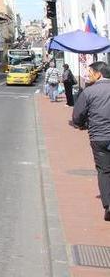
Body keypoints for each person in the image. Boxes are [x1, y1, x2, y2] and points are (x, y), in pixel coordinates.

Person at [72, 62, 110, 222]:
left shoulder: (89, 91)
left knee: (104, 170)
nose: (88, 75)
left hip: (99, 137)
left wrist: (81, 125)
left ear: (99, 74)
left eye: (90, 72)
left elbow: (77, 115)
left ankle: (108, 205)